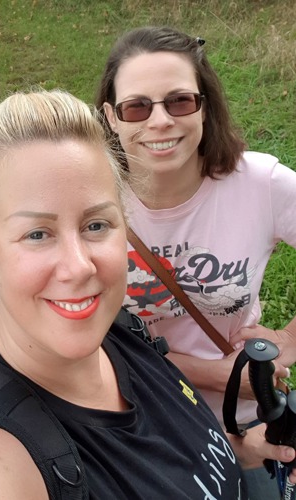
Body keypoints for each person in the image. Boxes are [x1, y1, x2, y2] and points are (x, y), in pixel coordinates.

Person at [0, 89, 296, 499]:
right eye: (37, 234)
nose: (79, 267)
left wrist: (238, 453)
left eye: (96, 225)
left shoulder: (121, 333)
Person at [95, 25, 296, 498]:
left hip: (249, 420)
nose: (160, 121)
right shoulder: (91, 202)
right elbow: (74, 332)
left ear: (204, 105)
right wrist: (212, 373)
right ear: (111, 117)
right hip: (141, 425)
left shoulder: (259, 185)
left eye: (180, 101)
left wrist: (288, 340)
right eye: (137, 107)